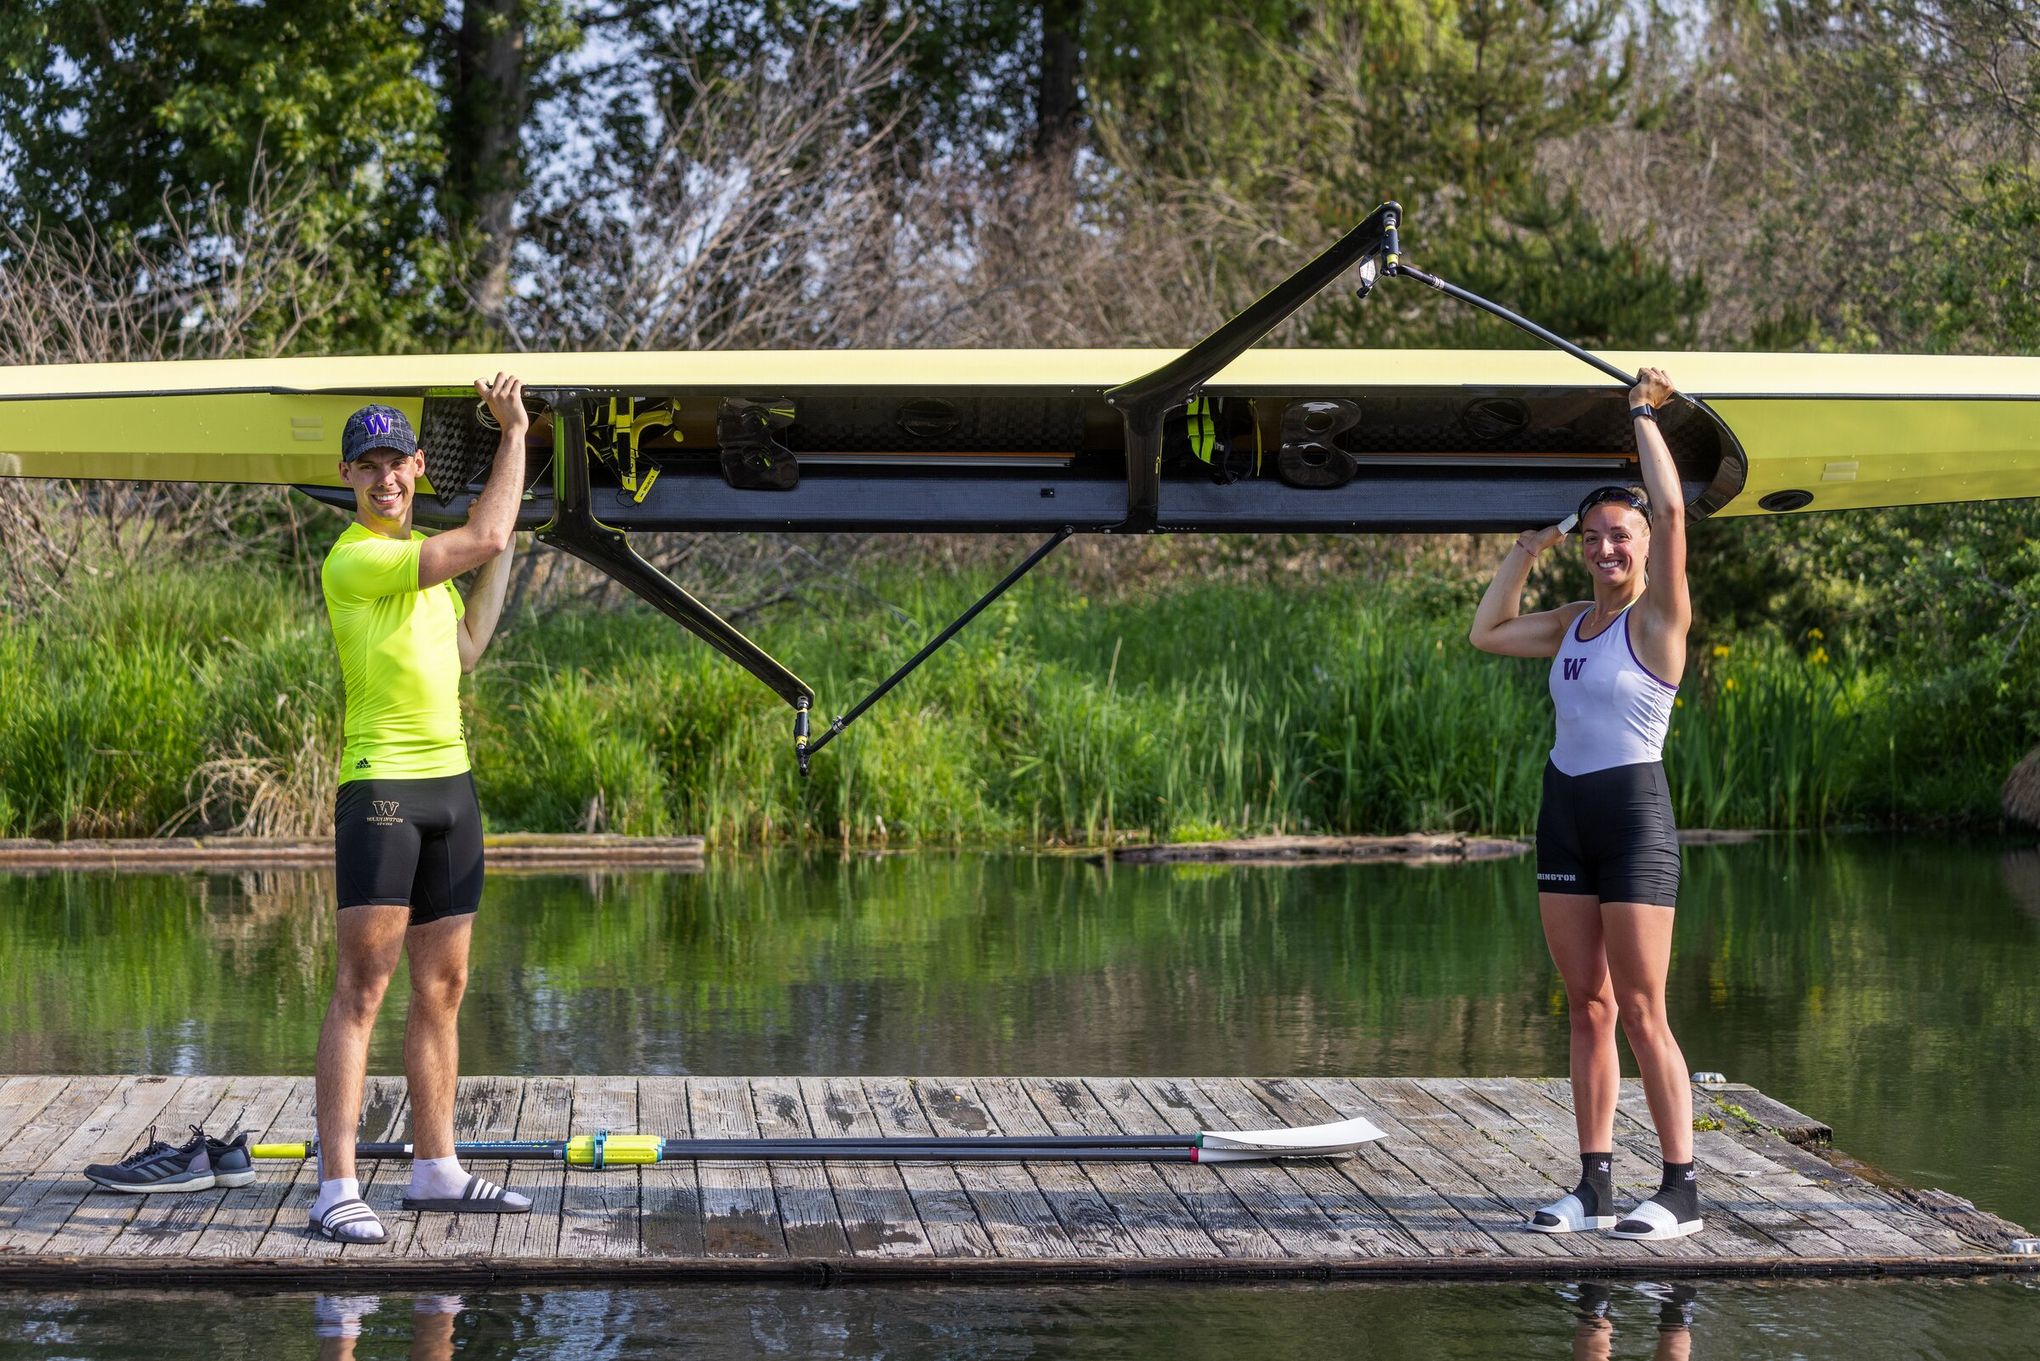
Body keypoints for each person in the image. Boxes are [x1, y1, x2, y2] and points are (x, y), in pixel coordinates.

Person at [1468, 367, 1703, 1242]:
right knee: (1587, 1006)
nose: (1608, 549)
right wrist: (1525, 553)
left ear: (1644, 546)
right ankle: (1595, 1184)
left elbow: (1677, 513)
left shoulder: (1658, 622)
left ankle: (1679, 1190)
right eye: (1597, 537)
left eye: (1622, 537)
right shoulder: (1572, 622)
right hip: (1564, 813)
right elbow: (1487, 631)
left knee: (1643, 1009)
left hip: (1634, 820)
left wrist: (1642, 415)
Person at [308, 376, 530, 1244]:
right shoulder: (357, 558)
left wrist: (499, 551)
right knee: (363, 988)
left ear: (418, 465)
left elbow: (470, 644)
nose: (385, 478)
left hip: (452, 789)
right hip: (383, 791)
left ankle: (436, 1169)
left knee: (444, 985)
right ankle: (336, 1186)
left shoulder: (429, 582)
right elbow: (485, 530)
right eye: (368, 466)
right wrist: (514, 433)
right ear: (348, 476)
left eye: (396, 461)